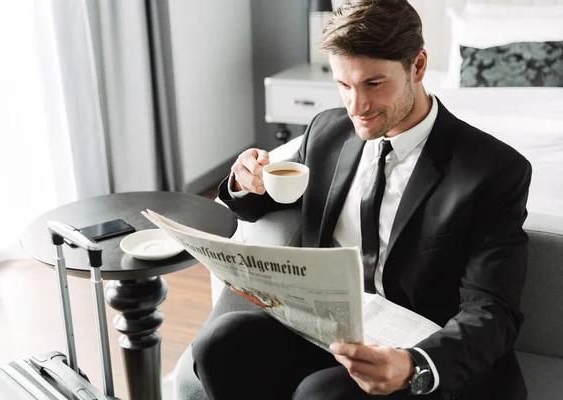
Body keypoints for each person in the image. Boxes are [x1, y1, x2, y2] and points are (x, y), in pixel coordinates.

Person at [192, 0, 532, 399]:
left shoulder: (495, 170)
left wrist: (415, 365)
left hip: (415, 351)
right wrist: (244, 180)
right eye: (343, 85)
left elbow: (494, 310)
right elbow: (267, 199)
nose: (357, 107)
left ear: (418, 66)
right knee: (217, 341)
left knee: (322, 394)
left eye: (373, 83)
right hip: (325, 330)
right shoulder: (326, 131)